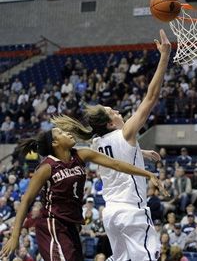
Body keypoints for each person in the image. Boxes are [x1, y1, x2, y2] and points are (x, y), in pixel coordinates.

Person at [52, 29, 171, 260]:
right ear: (109, 123)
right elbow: (151, 97)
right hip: (131, 211)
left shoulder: (97, 142)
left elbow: (117, 156)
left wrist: (141, 152)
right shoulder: (125, 133)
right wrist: (165, 56)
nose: (116, 111)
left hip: (111, 215)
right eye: (112, 111)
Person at [0, 123, 162, 261]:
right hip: (52, 225)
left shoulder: (81, 154)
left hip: (72, 225)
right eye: (61, 133)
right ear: (55, 143)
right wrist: (15, 236)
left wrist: (147, 173)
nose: (68, 133)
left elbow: (116, 164)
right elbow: (26, 200)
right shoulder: (46, 168)